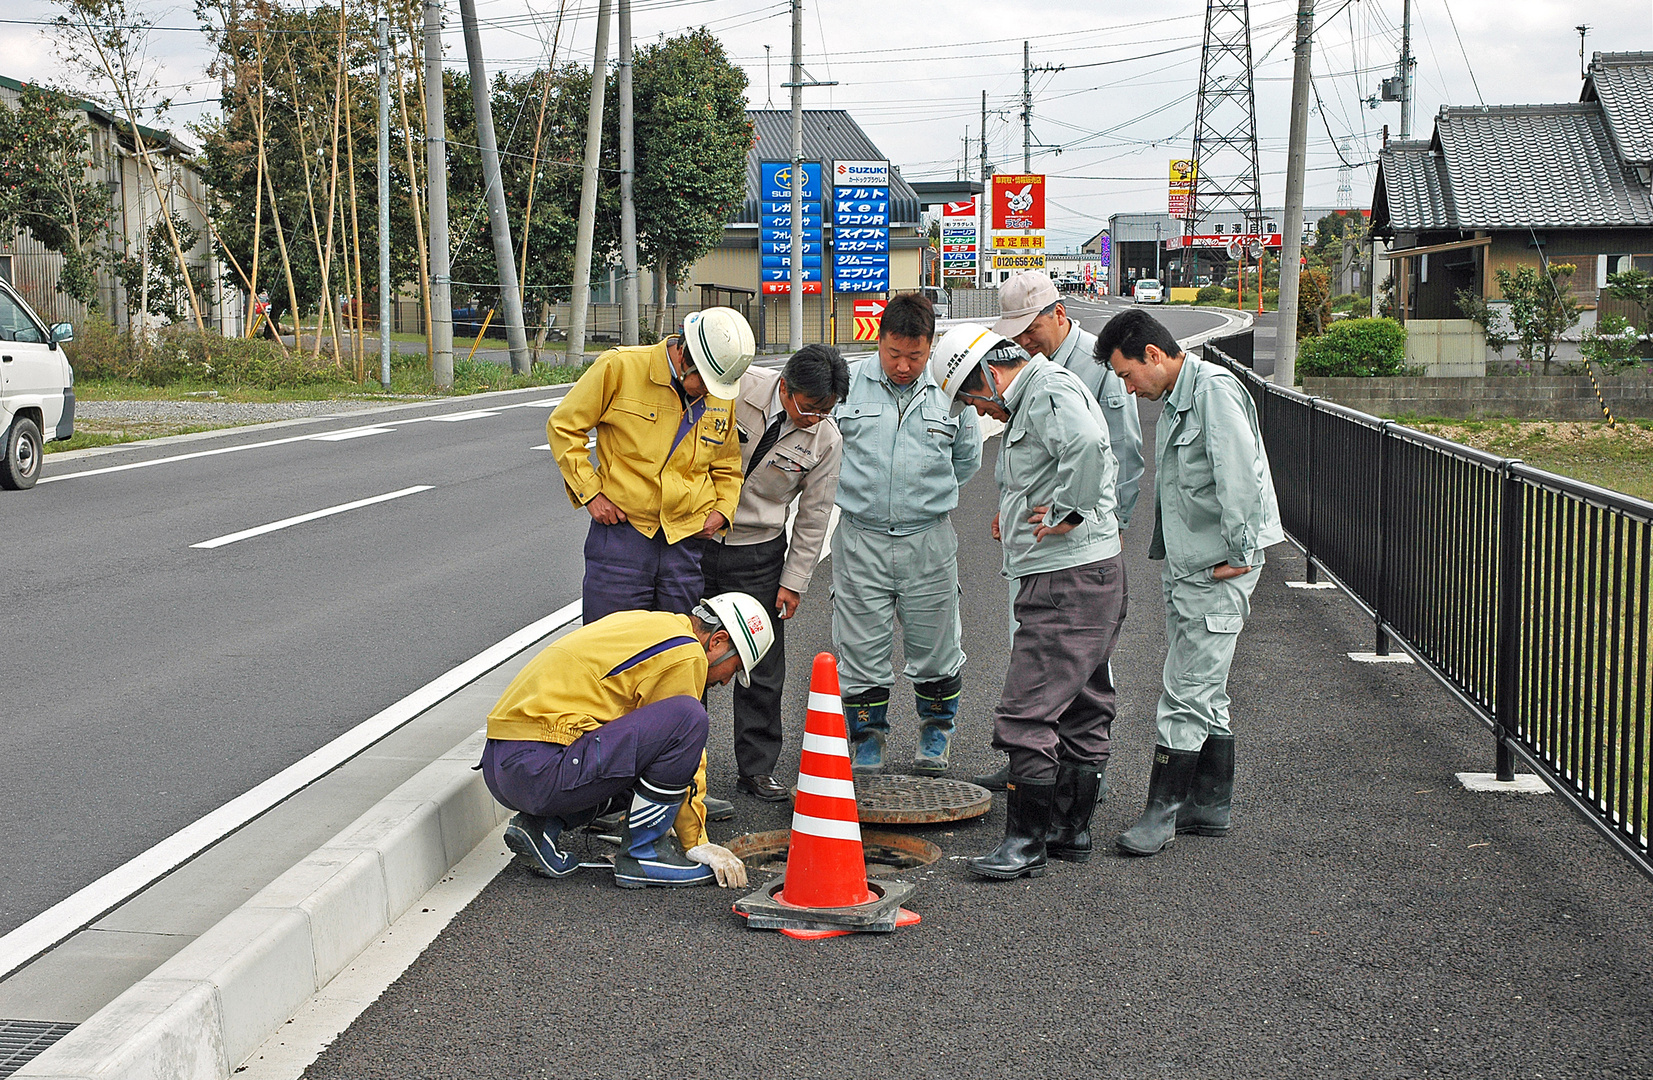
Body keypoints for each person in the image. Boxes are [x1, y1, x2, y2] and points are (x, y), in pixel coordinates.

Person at [925, 325, 1128, 881]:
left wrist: (1067, 511)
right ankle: (1069, 830)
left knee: (1028, 706)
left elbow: (1087, 447)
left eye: (971, 397)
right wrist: (1019, 512)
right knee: (1084, 702)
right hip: (1087, 574)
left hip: (1066, 580)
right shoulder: (1043, 391)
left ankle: (1025, 843)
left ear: (989, 373)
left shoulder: (1045, 391)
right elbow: (1055, 461)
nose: (979, 411)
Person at [1096, 308, 1283, 856]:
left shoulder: (1213, 393)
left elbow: (1240, 474)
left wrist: (1242, 552)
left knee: (1185, 689)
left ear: (1153, 355)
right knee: (1208, 688)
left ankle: (1164, 810)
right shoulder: (1183, 394)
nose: (1129, 389)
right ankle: (1209, 805)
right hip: (1192, 564)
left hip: (1218, 566)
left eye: (1128, 375)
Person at [971, 270, 1145, 792]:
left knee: (1078, 670)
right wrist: (1015, 505)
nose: (1024, 340)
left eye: (1031, 329)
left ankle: (1061, 780)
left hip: (1077, 552)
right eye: (1016, 333)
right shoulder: (1025, 372)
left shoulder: (1097, 365)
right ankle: (1044, 772)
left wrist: (1090, 525)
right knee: (1042, 663)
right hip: (1042, 547)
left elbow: (1121, 455)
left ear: (1059, 315)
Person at [480, 592, 775, 889]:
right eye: (735, 668)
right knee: (689, 718)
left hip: (506, 766)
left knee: (651, 756)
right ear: (718, 641)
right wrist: (696, 841)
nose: (725, 681)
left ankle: (542, 827)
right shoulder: (686, 653)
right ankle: (644, 855)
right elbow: (686, 750)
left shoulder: (658, 625)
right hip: (541, 769)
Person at [832, 292, 982, 776]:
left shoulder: (951, 389)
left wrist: (922, 500)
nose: (903, 365)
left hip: (928, 539)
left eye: (915, 356)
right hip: (861, 538)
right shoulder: (849, 383)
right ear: (879, 341)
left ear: (930, 347)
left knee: (936, 645)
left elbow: (967, 460)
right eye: (894, 354)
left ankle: (935, 736)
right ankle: (867, 741)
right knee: (859, 648)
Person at [701, 344, 848, 802]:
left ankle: (757, 769)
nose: (815, 417)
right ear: (784, 386)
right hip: (696, 540)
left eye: (826, 410)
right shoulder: (738, 388)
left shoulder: (827, 439)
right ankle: (682, 765)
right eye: (809, 407)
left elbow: (814, 514)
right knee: (688, 652)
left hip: (758, 550)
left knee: (761, 664)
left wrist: (793, 582)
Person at [546, 307, 756, 625]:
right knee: (610, 646)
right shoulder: (621, 367)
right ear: (686, 354)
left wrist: (722, 511)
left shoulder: (717, 392)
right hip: (622, 538)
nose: (709, 392)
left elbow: (727, 462)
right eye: (704, 381)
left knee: (673, 649)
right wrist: (590, 494)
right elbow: (564, 426)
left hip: (685, 542)